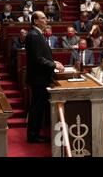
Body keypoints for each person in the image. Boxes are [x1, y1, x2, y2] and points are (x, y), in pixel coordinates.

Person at [25, 11, 65, 143]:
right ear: (35, 21)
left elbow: (42, 55)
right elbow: (37, 58)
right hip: (38, 78)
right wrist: (53, 65)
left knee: (38, 107)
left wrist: (54, 63)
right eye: (42, 18)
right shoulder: (34, 35)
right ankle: (33, 135)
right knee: (37, 107)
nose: (46, 20)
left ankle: (34, 133)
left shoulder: (36, 34)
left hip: (40, 77)